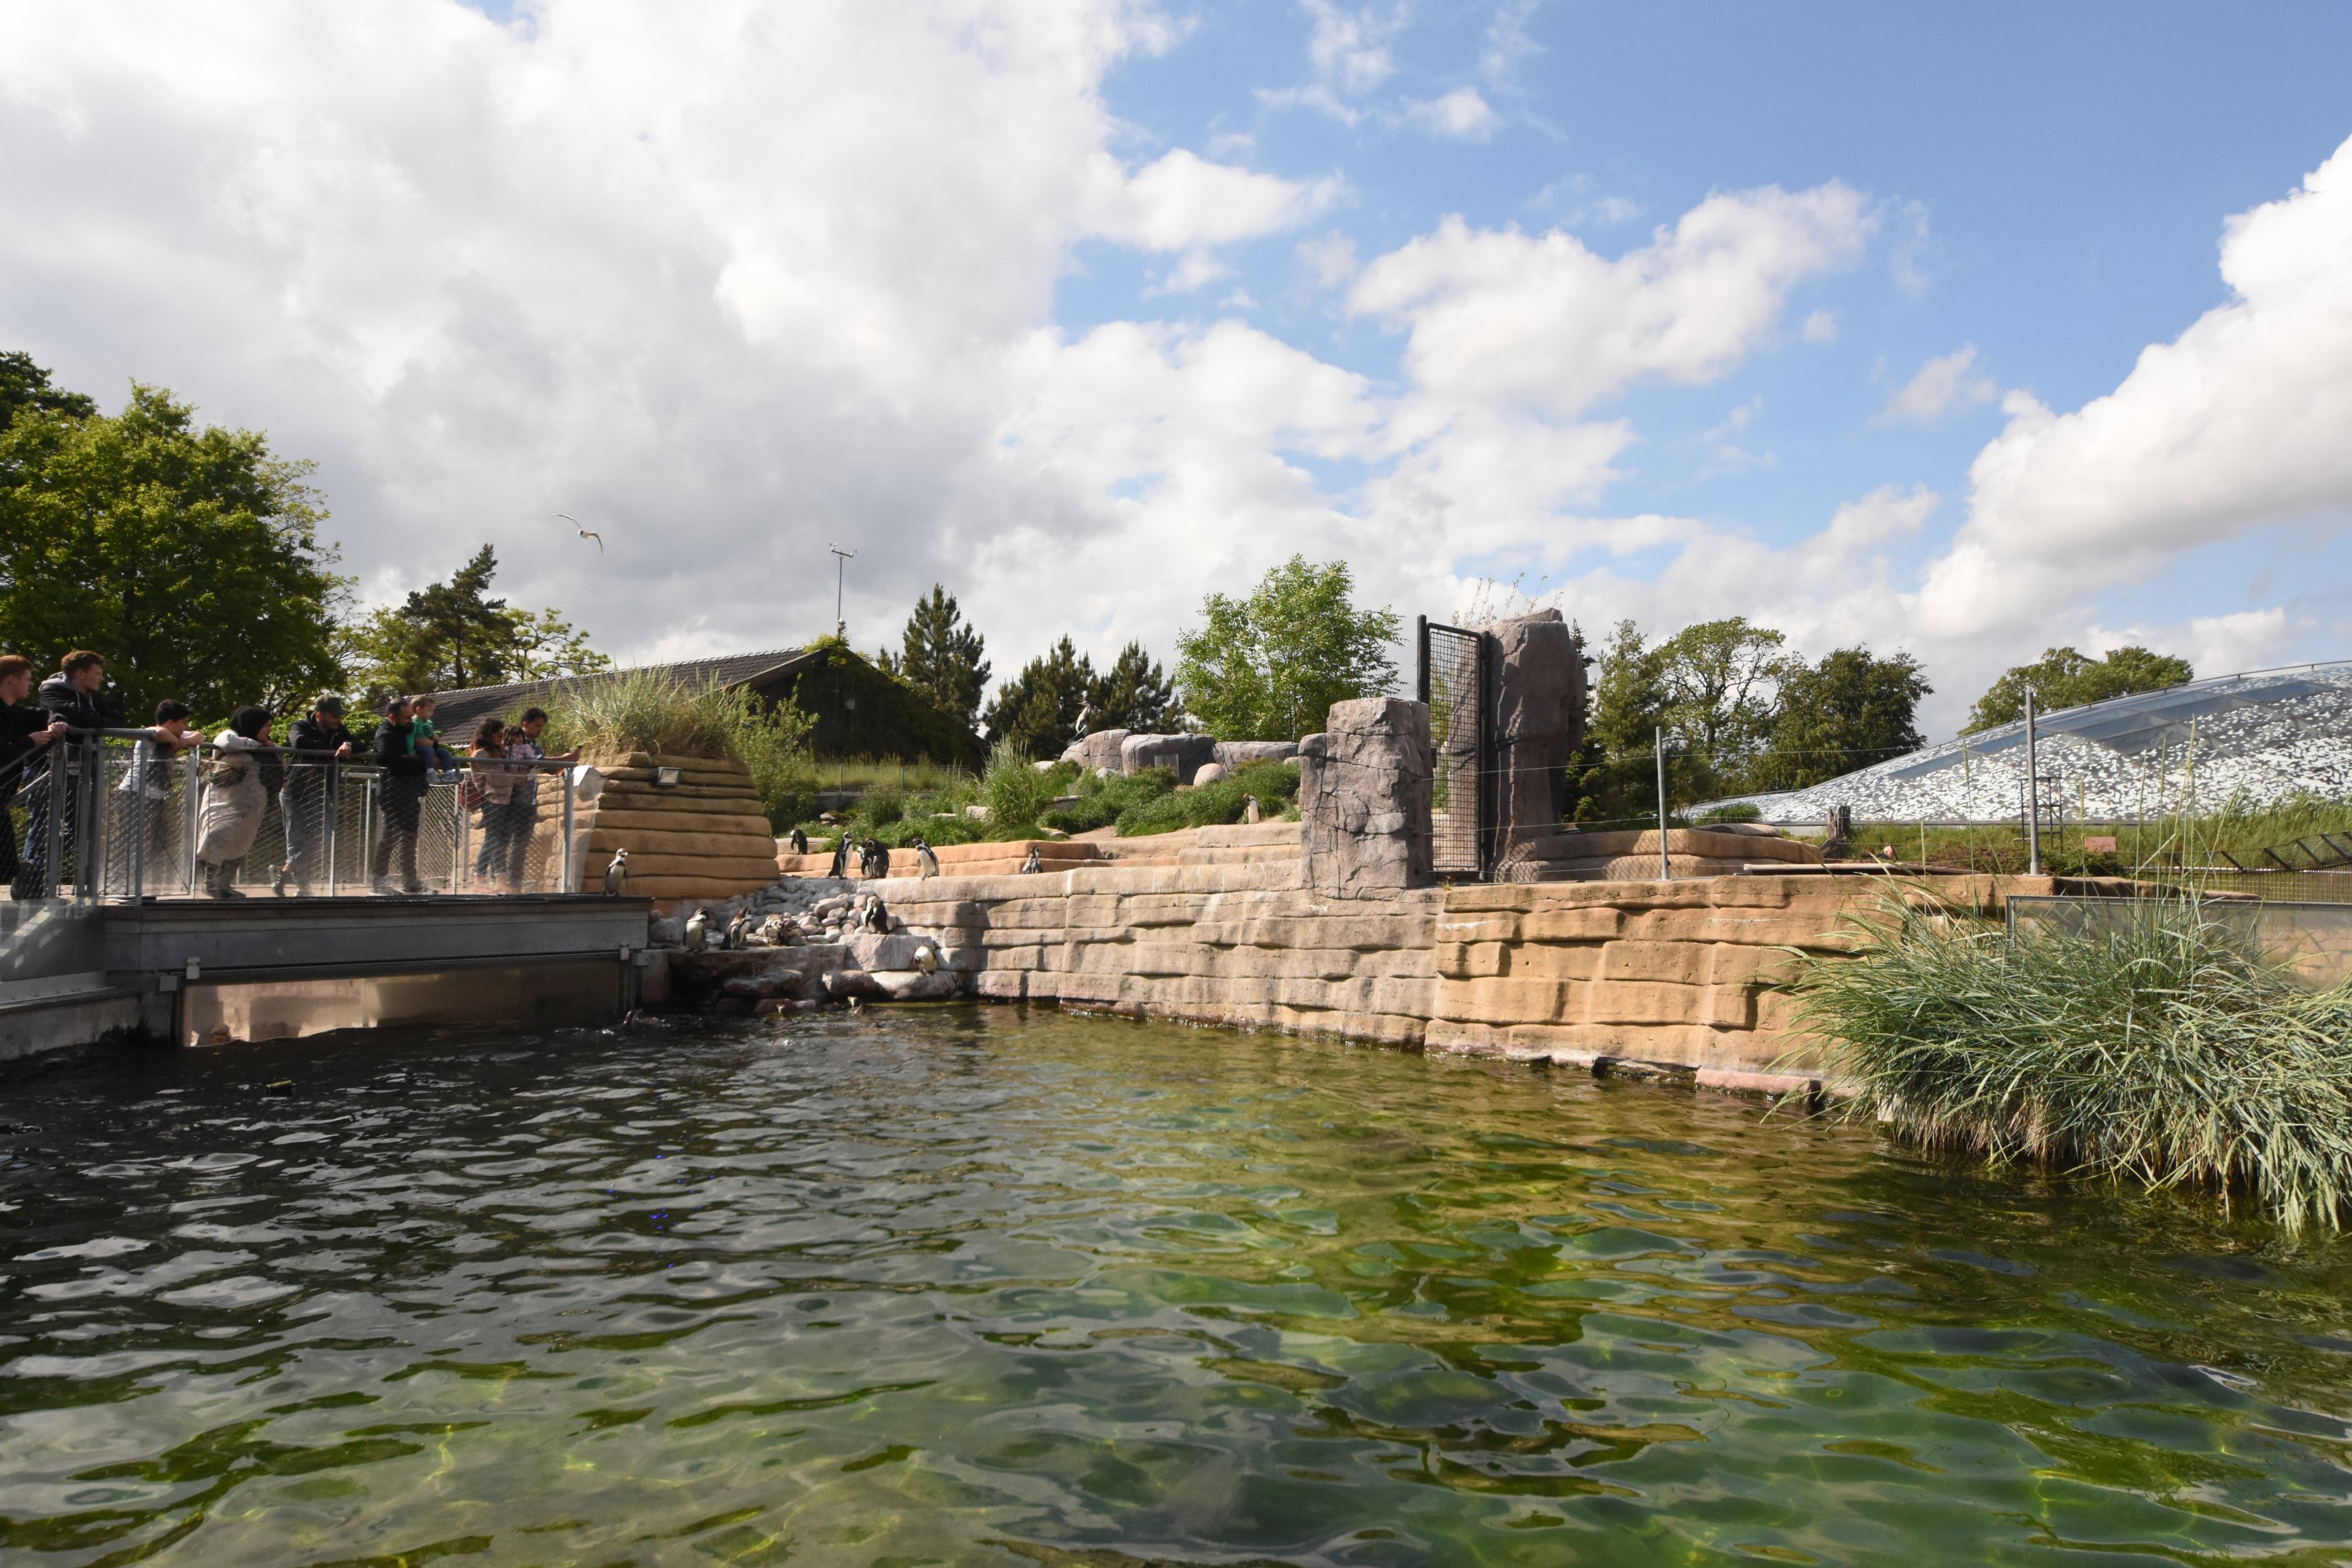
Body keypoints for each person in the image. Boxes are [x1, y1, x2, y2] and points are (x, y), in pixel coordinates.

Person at [20, 650, 123, 897]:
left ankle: (40, 868)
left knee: (81, 828)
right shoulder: (51, 691)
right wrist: (91, 720)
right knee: (41, 825)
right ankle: (28, 882)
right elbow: (74, 716)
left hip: (76, 772)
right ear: (80, 674)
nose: (101, 678)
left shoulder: (91, 697)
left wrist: (90, 720)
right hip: (45, 769)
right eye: (97, 673)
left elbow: (118, 718)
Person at [118, 699, 204, 888]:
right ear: (171, 722)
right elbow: (159, 732)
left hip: (155, 797)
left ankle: (139, 884)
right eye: (184, 723)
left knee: (157, 843)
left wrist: (183, 741)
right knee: (135, 843)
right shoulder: (151, 734)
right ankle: (127, 885)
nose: (186, 727)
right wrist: (176, 741)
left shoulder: (176, 734)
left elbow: (200, 737)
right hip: (135, 794)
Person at [0, 656, 69, 889]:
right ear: (11, 679)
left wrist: (57, 720)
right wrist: (29, 742)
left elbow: (45, 713)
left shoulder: (15, 712)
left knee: (6, 864)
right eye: (27, 679)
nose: (31, 684)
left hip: (3, 795)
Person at [275, 696, 354, 896]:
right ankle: (303, 888)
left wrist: (346, 743)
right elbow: (298, 742)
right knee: (295, 841)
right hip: (294, 790)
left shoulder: (339, 730)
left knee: (324, 837)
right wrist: (333, 751)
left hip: (320, 792)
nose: (339, 720)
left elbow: (358, 743)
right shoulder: (300, 726)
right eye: (335, 716)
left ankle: (284, 872)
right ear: (319, 715)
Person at [195, 707, 273, 897]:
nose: (269, 729)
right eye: (266, 725)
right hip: (224, 802)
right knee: (217, 837)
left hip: (251, 807)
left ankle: (224, 885)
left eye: (271, 725)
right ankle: (210, 884)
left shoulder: (269, 745)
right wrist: (256, 744)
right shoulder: (231, 735)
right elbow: (227, 743)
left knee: (241, 843)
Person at [498, 707, 577, 891]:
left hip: (529, 800)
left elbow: (547, 767)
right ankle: (499, 880)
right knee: (503, 841)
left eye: (542, 726)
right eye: (537, 726)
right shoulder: (514, 741)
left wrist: (565, 763)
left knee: (521, 843)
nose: (540, 729)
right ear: (525, 724)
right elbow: (537, 761)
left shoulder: (534, 743)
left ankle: (515, 883)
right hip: (512, 800)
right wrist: (562, 758)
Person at [369, 695, 432, 894]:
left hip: (410, 791)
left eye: (410, 716)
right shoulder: (385, 735)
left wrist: (430, 746)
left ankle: (410, 880)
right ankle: (379, 881)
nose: (410, 720)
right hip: (393, 791)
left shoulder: (410, 731)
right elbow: (396, 764)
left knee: (410, 836)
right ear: (392, 717)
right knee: (391, 836)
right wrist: (422, 764)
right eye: (406, 717)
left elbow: (413, 758)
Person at [466, 716, 526, 891]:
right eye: (499, 735)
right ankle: (498, 879)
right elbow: (497, 779)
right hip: (493, 800)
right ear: (488, 735)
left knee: (494, 839)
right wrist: (516, 777)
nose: (502, 738)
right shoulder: (481, 754)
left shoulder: (499, 752)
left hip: (504, 799)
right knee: (495, 840)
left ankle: (481, 879)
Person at [409, 695, 458, 782]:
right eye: (430, 710)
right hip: (419, 748)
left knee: (444, 752)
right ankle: (430, 773)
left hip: (430, 748)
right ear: (419, 709)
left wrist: (434, 736)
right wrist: (411, 752)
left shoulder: (429, 723)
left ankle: (449, 773)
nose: (432, 713)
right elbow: (409, 738)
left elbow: (430, 734)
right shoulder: (414, 723)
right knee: (429, 750)